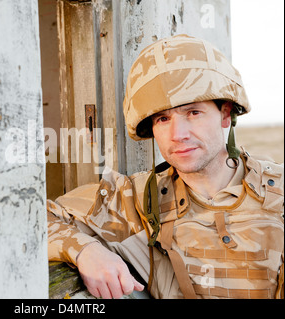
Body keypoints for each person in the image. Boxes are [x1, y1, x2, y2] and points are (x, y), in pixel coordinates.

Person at [47, 34, 284, 299]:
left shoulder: (278, 192)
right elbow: (35, 218)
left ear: (225, 114)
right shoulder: (135, 200)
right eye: (163, 119)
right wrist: (84, 250)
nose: (177, 134)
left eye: (193, 113)